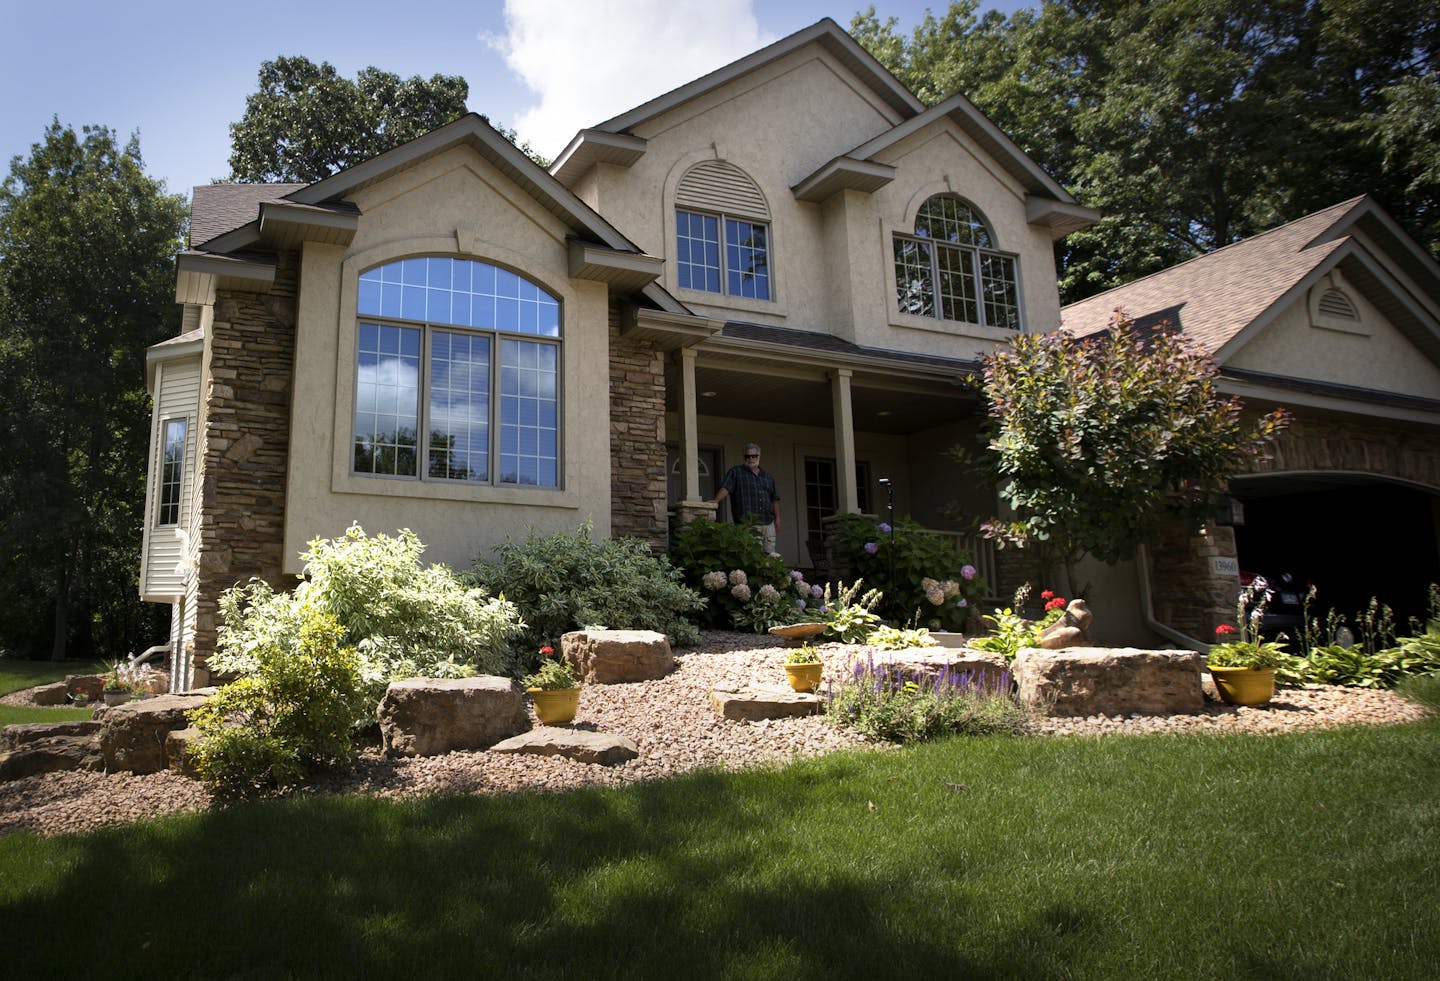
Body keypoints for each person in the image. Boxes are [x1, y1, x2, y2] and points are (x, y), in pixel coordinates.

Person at [712, 442, 781, 553]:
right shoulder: (736, 472)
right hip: (748, 524)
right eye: (747, 456)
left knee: (770, 556)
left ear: (759, 456)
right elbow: (726, 488)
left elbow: (774, 499)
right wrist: (716, 501)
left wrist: (778, 519)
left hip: (768, 523)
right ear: (744, 457)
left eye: (754, 456)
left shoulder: (767, 477)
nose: (751, 459)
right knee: (752, 554)